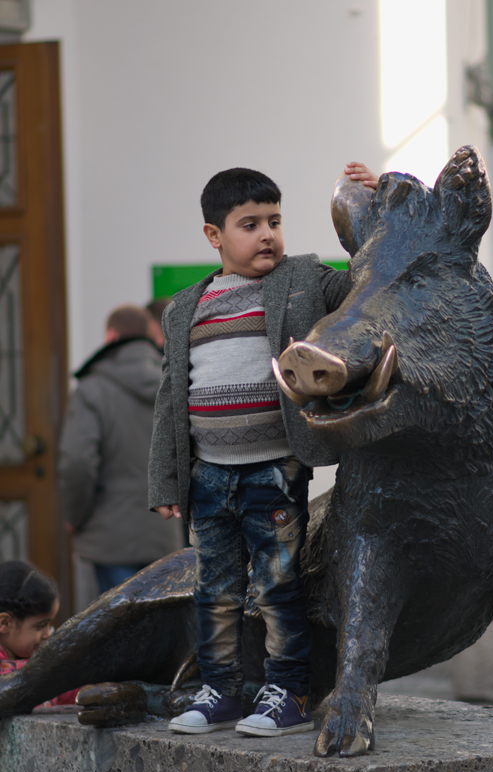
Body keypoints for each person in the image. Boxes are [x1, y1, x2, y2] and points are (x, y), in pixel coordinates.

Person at [149, 162, 378, 737]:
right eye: (249, 224)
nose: (267, 234)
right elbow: (171, 398)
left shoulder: (303, 279)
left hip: (274, 471)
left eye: (274, 221)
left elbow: (369, 281)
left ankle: (289, 692)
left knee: (277, 587)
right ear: (214, 235)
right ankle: (220, 690)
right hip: (207, 477)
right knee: (215, 592)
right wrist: (166, 481)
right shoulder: (185, 307)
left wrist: (375, 204)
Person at [58, 304, 184, 595]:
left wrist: (75, 517)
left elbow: (76, 462)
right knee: (164, 621)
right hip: (164, 534)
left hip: (109, 539)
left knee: (114, 621)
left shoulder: (92, 389)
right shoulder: (173, 383)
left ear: (111, 336)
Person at [0, 560, 78, 705]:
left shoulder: (38, 658)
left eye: (49, 625)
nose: (47, 634)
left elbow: (64, 690)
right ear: (5, 623)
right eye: (40, 626)